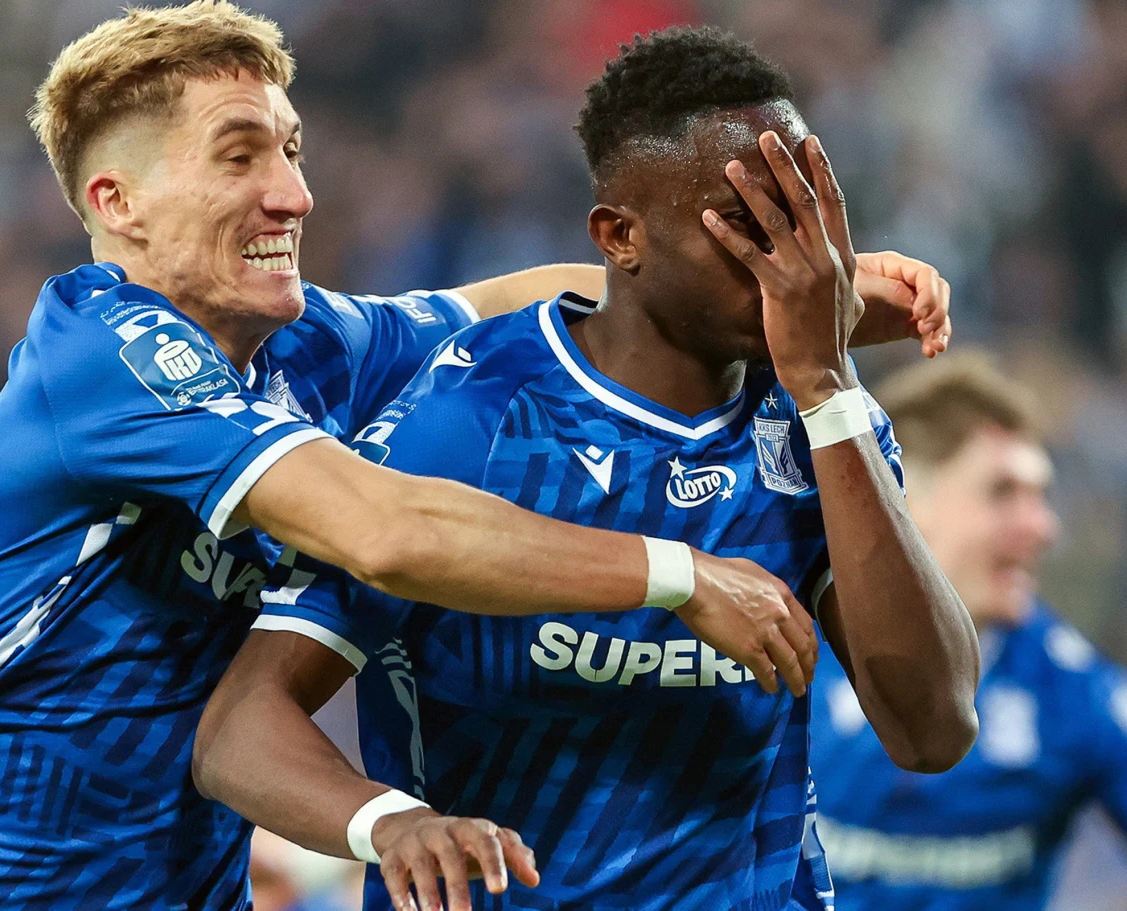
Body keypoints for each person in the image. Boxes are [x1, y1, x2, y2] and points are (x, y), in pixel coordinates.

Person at [0, 4, 951, 908]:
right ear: (120, 203)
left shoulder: (305, 346)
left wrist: (814, 299)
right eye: (240, 156)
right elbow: (388, 530)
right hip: (14, 879)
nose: (294, 193)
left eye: (292, 150)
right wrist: (678, 573)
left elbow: (542, 301)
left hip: (186, 875)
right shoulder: (101, 356)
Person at [194, 26, 981, 911]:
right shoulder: (472, 420)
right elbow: (238, 730)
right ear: (620, 236)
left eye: (805, 222)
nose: (797, 267)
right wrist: (392, 822)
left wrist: (830, 390)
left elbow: (932, 729)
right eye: (748, 228)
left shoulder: (814, 418)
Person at [807, 353, 1127, 910]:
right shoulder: (792, 648)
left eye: (1041, 496)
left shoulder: (1073, 689)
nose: (1043, 526)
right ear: (904, 500)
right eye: (1002, 492)